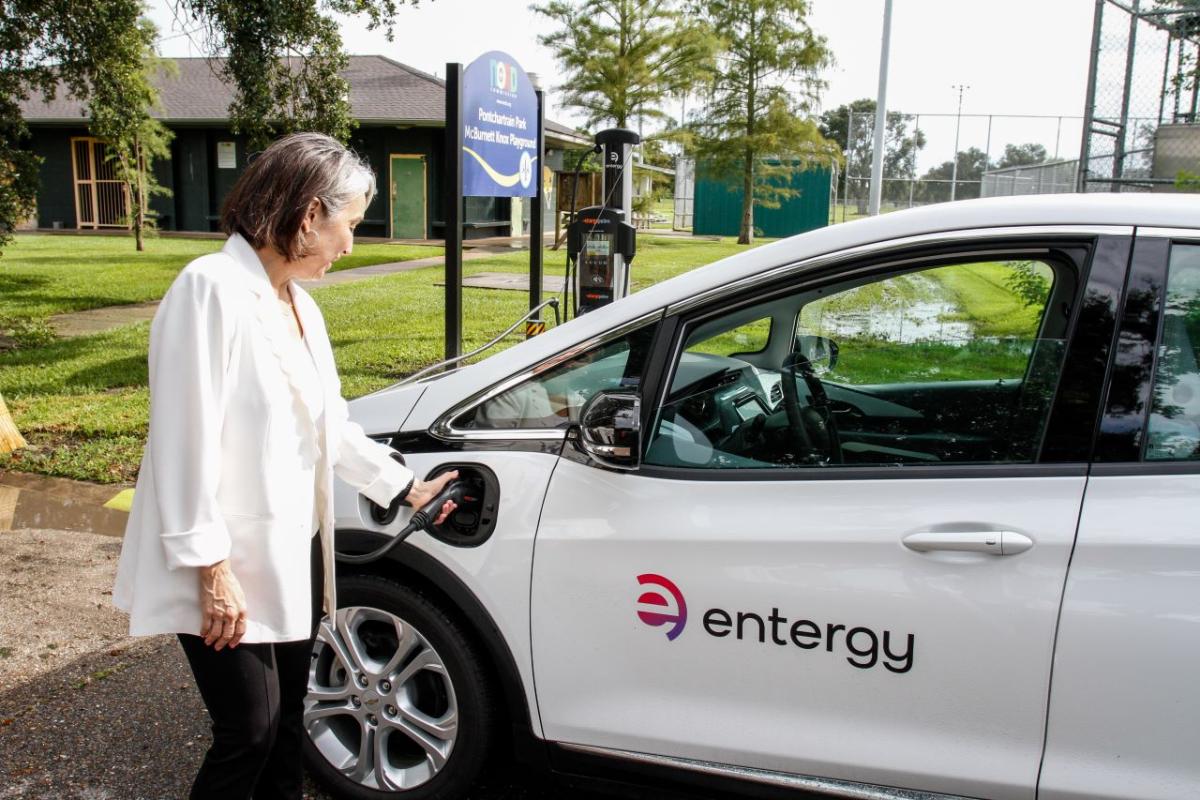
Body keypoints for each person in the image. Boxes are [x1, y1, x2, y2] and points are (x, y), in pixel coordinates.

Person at [112, 132, 457, 799]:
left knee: (287, 728)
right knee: (250, 730)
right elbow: (183, 442)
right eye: (349, 226)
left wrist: (406, 488)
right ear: (308, 217)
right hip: (221, 560)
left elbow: (330, 426)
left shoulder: (301, 306)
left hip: (291, 550)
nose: (351, 244)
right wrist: (211, 573)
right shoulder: (208, 289)